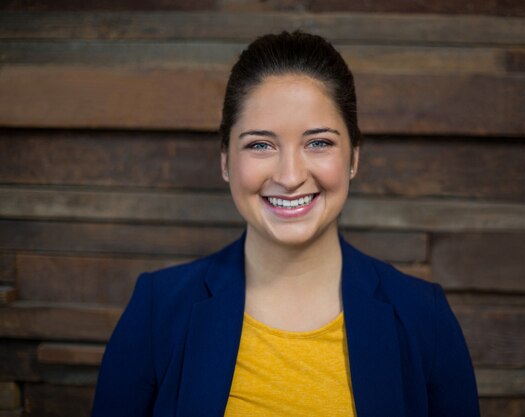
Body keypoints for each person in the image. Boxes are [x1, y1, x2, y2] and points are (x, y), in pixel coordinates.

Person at [91, 31, 480, 417]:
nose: (290, 176)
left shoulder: (423, 317)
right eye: (261, 144)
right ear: (226, 161)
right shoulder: (157, 310)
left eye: (318, 143)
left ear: (353, 158)